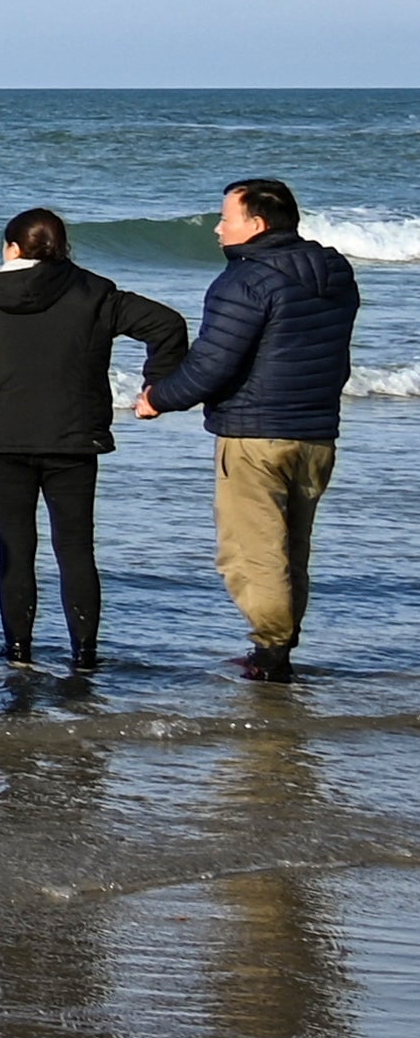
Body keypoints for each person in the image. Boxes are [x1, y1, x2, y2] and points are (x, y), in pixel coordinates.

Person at [0, 208, 186, 672]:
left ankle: (17, 652)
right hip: (73, 437)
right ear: (63, 248)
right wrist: (157, 387)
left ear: (11, 249)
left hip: (4, 435)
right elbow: (166, 324)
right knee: (75, 548)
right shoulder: (92, 291)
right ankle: (84, 654)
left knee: (14, 546)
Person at [140, 178, 365, 681]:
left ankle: (271, 655)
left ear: (256, 225)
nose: (218, 228)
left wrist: (157, 398)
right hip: (315, 432)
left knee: (250, 554)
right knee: (290, 551)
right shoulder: (335, 271)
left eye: (227, 218)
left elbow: (212, 367)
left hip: (254, 434)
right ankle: (276, 651)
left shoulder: (244, 281)